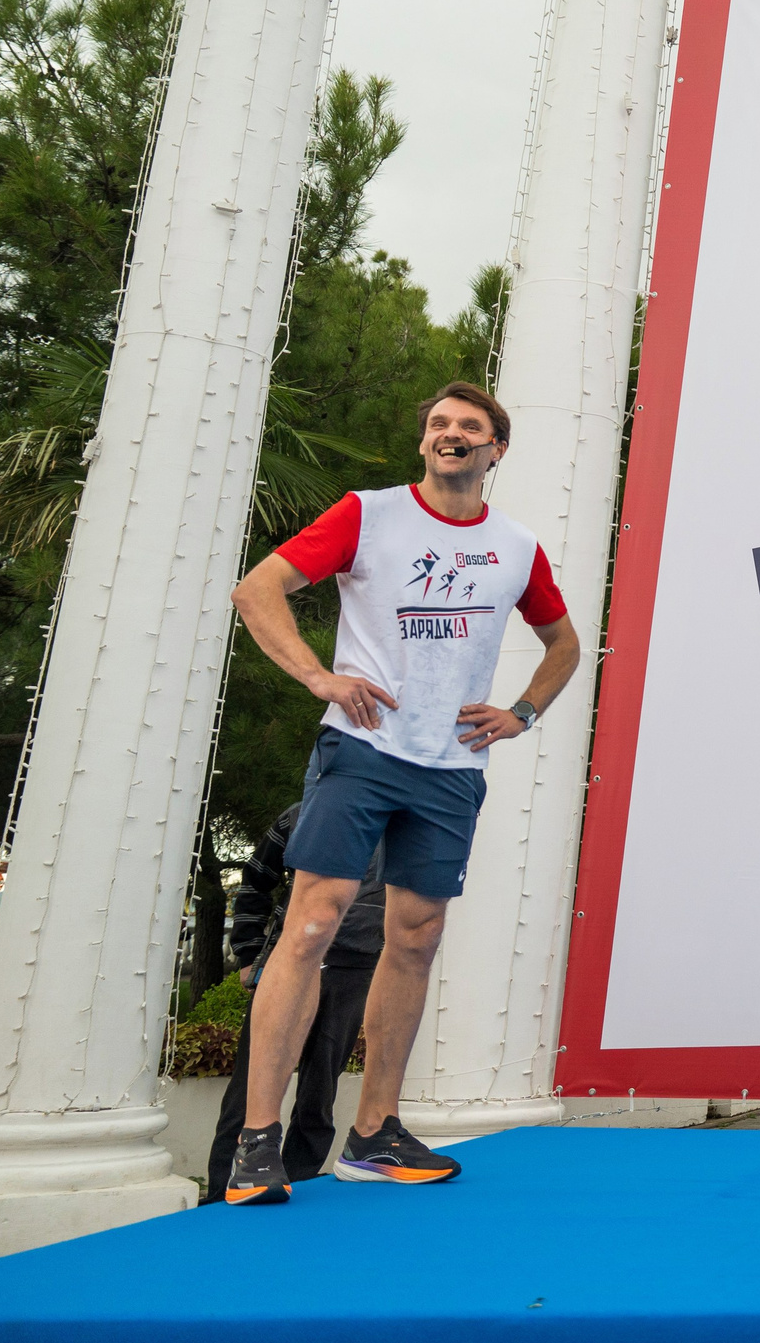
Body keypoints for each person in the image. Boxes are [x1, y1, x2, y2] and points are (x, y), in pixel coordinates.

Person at [219, 383, 581, 1205]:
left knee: (415, 937)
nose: (451, 435)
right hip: (365, 744)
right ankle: (256, 1141)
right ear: (424, 442)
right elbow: (257, 589)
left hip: (452, 767)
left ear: (497, 449)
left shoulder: (516, 546)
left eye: (470, 427)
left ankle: (375, 1132)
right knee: (313, 920)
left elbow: (564, 642)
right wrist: (318, 675)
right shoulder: (368, 514)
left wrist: (521, 711)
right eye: (439, 425)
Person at [202, 802, 383, 1194]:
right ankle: (222, 1192)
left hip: (356, 968)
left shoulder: (407, 816)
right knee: (246, 1093)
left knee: (320, 1094)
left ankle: (297, 1187)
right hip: (289, 962)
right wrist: (249, 953)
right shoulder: (304, 811)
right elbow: (255, 879)